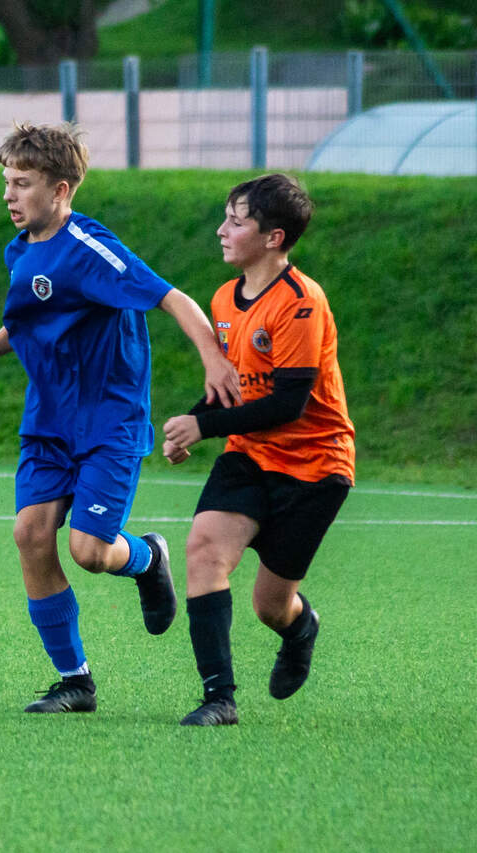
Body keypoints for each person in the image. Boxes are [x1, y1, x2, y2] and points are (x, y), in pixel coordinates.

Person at [0, 122, 241, 714]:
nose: (9, 195)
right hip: (48, 420)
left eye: (22, 183)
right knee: (30, 535)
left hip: (108, 421)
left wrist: (213, 360)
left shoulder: (91, 248)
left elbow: (173, 297)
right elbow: (26, 320)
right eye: (6, 182)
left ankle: (147, 558)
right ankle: (75, 680)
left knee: (90, 552)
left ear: (61, 190)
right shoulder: (22, 250)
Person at [162, 173, 355, 726]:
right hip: (249, 454)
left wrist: (204, 427)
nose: (222, 231)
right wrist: (192, 423)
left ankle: (300, 628)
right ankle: (219, 698)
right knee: (204, 549)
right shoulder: (225, 297)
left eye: (236, 222)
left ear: (273, 238)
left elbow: (288, 403)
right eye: (225, 218)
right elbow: (234, 386)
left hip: (316, 464)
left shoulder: (301, 302)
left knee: (270, 606)